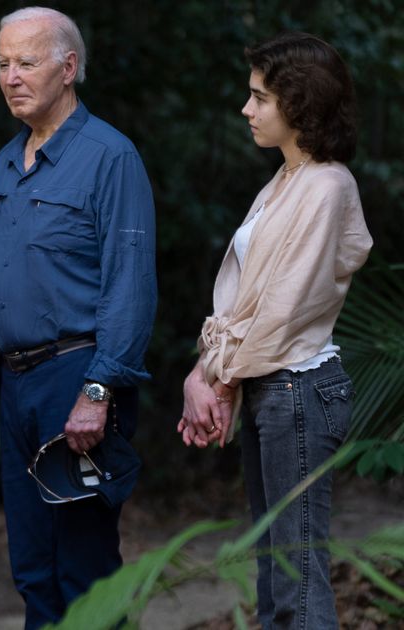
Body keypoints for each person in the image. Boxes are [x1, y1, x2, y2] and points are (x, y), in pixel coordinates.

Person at [0, 7, 157, 628]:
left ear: (68, 69)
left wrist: (99, 389)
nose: (10, 77)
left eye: (26, 62)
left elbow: (131, 284)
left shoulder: (109, 157)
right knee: (33, 569)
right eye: (3, 64)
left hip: (78, 379)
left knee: (83, 569)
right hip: (16, 388)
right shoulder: (9, 161)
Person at [177, 32, 371, 629]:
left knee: (299, 578)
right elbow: (244, 305)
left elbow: (283, 309)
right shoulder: (285, 180)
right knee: (276, 573)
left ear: (299, 102)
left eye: (260, 97)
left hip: (298, 389)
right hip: (273, 387)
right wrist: (202, 374)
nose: (247, 109)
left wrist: (219, 380)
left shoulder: (327, 185)